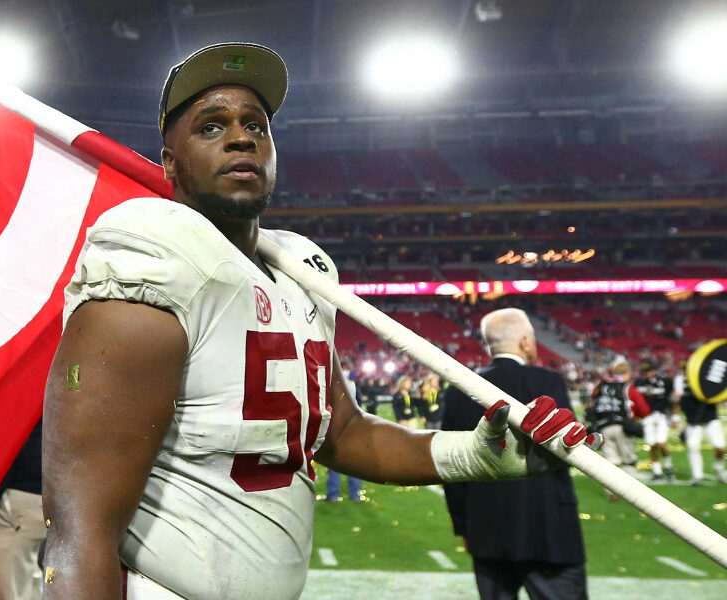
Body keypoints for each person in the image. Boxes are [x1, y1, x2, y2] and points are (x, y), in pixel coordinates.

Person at [41, 43, 596, 600]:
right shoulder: (155, 252)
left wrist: (471, 454)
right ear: (169, 161)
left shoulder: (303, 269)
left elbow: (342, 432)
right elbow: (78, 524)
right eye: (211, 127)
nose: (241, 137)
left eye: (255, 124)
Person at [442, 308, 591, 600]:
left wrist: (463, 524)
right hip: (548, 528)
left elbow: (451, 466)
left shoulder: (460, 389)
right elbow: (564, 450)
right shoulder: (548, 381)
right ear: (524, 341)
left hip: (486, 528)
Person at [0, 420, 47, 600]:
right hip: (43, 492)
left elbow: (7, 443)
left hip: (17, 497)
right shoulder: (71, 390)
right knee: (25, 582)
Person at [585, 358, 650, 501]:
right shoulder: (628, 388)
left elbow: (591, 406)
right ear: (627, 373)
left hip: (603, 428)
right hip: (624, 427)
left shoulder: (600, 387)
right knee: (628, 461)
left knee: (610, 462)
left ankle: (611, 491)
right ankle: (630, 494)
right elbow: (643, 410)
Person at [635, 362, 676, 481]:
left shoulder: (665, 382)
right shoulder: (639, 383)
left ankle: (668, 466)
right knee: (652, 445)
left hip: (661, 415)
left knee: (661, 443)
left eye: (649, 371)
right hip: (647, 417)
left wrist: (674, 417)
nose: (648, 374)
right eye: (646, 372)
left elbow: (672, 399)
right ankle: (657, 471)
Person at [679, 386, 727, 485]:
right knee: (693, 446)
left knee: (720, 446)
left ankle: (719, 468)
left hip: (711, 420)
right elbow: (686, 410)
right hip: (694, 423)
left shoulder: (708, 390)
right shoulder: (686, 397)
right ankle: (697, 476)